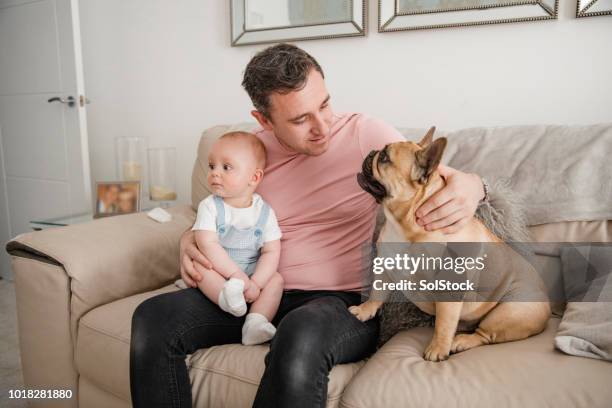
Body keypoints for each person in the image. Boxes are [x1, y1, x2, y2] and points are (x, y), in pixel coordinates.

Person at [130, 43, 485, 408]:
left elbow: (435, 177)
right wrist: (189, 238)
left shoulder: (367, 135)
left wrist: (477, 187)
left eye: (325, 105)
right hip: (256, 290)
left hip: (340, 302)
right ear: (264, 120)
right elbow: (216, 212)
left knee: (298, 334)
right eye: (300, 120)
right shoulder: (251, 154)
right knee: (152, 317)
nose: (322, 127)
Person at [192, 131, 283, 346]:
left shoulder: (264, 212)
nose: (215, 173)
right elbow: (207, 244)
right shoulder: (210, 206)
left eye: (226, 167)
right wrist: (235, 276)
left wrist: (257, 283)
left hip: (251, 271)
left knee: (276, 280)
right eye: (212, 166)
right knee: (199, 267)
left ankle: (255, 322)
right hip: (219, 269)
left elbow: (271, 251)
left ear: (254, 177)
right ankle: (226, 299)